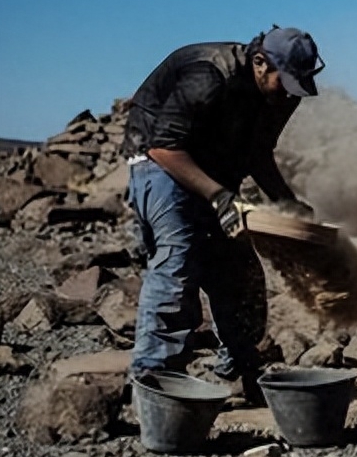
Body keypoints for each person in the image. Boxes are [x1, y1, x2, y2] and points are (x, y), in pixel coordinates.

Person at [120, 26, 322, 387]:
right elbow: (164, 146)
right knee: (178, 256)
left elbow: (258, 153)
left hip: (212, 166)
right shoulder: (209, 75)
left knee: (240, 269)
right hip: (159, 160)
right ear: (260, 63)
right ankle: (156, 380)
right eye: (286, 83)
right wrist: (219, 196)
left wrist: (288, 205)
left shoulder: (284, 92)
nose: (291, 96)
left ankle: (239, 371)